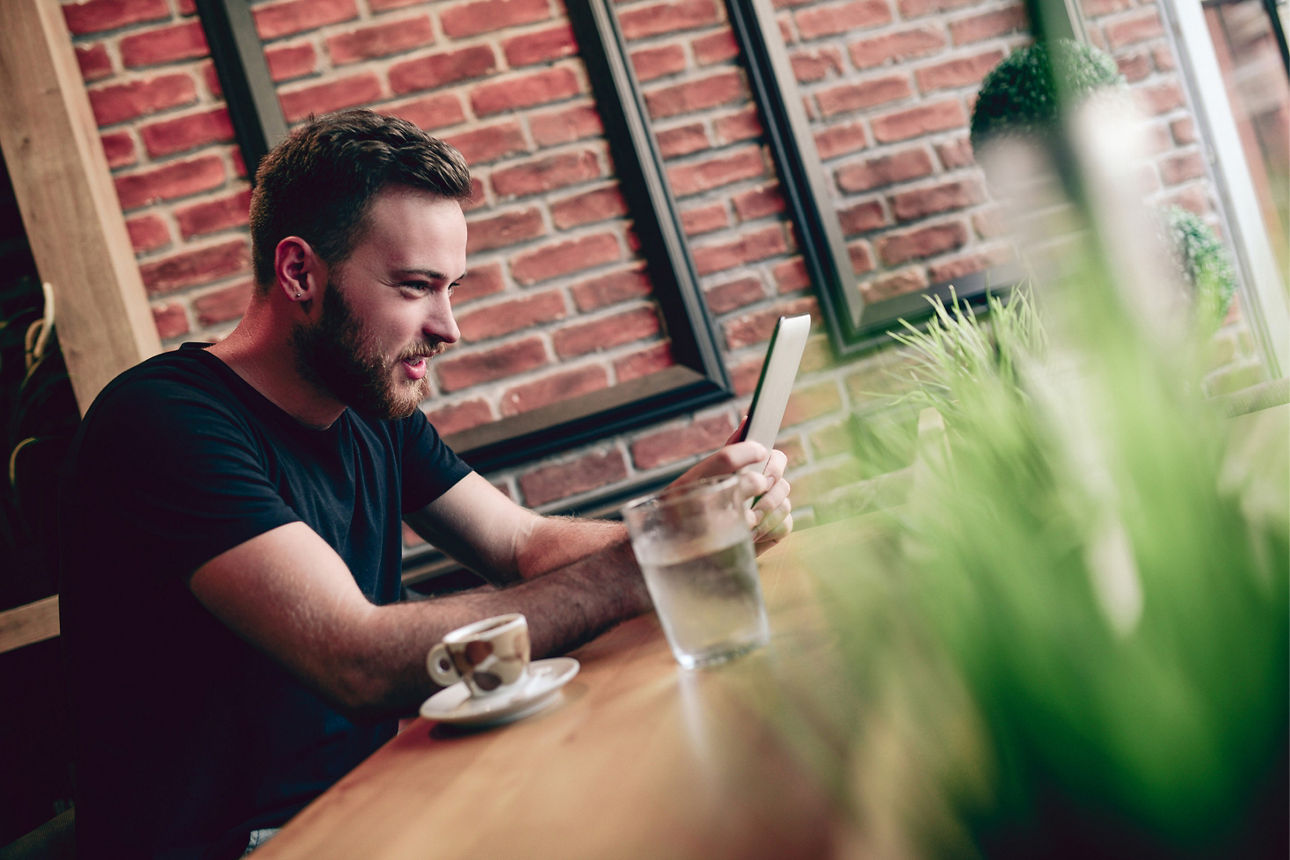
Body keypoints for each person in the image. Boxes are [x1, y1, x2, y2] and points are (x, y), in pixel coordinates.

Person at [58, 109, 793, 859]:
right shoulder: (163, 423)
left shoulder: (368, 404)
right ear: (298, 272)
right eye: (416, 287)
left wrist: (688, 525)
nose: (448, 327)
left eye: (452, 288)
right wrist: (650, 558)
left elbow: (521, 543)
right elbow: (357, 657)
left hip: (370, 808)